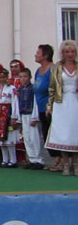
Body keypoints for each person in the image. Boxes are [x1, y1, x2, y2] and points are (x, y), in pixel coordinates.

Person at [45, 40, 78, 175]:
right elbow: (52, 88)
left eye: (72, 51)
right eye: (67, 52)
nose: (70, 54)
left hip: (75, 102)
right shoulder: (57, 68)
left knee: (75, 131)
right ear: (62, 53)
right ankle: (65, 164)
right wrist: (49, 106)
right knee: (63, 133)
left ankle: (76, 164)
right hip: (61, 102)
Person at [33, 44, 58, 170]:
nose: (35, 55)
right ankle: (56, 161)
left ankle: (61, 161)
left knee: (53, 134)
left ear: (46, 55)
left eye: (38, 53)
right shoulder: (38, 70)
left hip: (51, 109)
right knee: (46, 134)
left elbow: (56, 89)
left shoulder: (53, 69)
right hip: (40, 108)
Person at [16, 68, 44, 170]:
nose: (23, 79)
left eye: (25, 77)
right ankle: (32, 159)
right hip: (23, 115)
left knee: (34, 138)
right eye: (21, 77)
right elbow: (17, 104)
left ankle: (39, 160)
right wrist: (18, 118)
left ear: (30, 77)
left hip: (31, 115)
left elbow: (36, 103)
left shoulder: (33, 89)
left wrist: (35, 117)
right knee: (27, 137)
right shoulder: (19, 90)